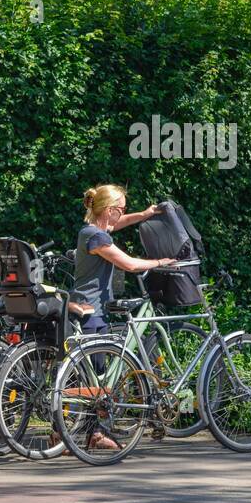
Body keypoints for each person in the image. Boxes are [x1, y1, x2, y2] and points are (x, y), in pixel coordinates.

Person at [71, 184, 176, 450]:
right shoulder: (97, 237)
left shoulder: (92, 231)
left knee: (88, 377)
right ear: (108, 210)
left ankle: (67, 432)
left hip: (87, 307)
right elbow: (129, 264)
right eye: (121, 209)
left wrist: (145, 213)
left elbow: (118, 226)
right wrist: (160, 262)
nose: (122, 214)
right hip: (91, 311)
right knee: (97, 379)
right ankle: (93, 434)